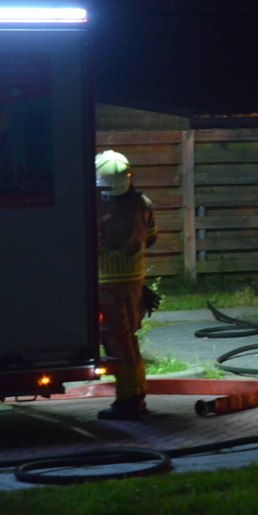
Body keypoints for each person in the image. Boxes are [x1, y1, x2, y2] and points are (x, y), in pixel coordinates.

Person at [94, 150, 157, 420]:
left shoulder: (95, 205)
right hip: (135, 281)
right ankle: (137, 394)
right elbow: (151, 238)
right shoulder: (143, 202)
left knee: (117, 344)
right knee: (129, 340)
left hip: (106, 283)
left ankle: (129, 402)